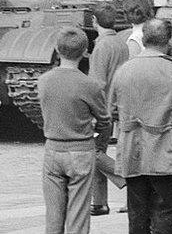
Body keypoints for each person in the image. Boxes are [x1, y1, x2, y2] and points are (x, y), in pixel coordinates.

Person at [109, 18, 172, 234]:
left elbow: (112, 109)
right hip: (166, 153)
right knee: (165, 215)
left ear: (143, 39)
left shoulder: (124, 70)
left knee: (137, 217)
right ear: (170, 41)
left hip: (132, 153)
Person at [37, 27, 111, 234]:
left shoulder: (44, 81)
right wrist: (98, 144)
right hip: (81, 150)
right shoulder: (90, 85)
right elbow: (104, 121)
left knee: (53, 217)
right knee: (78, 216)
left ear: (56, 50)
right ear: (86, 51)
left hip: (53, 149)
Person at [87, 4, 129, 215]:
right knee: (98, 151)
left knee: (91, 152)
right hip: (115, 106)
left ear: (94, 21)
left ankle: (128, 178)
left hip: (101, 107)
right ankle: (99, 202)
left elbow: (96, 84)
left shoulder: (102, 46)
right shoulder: (121, 43)